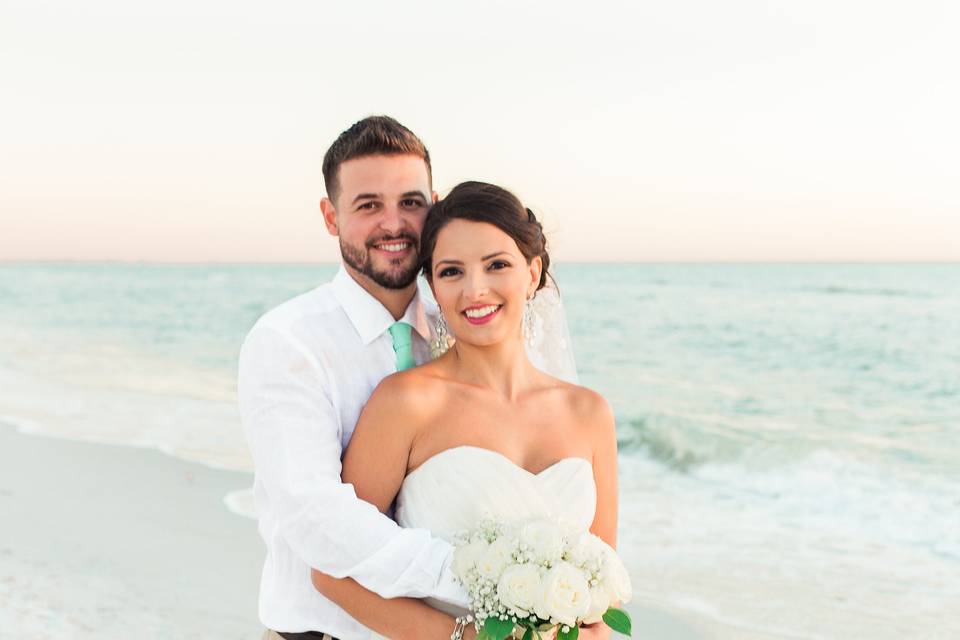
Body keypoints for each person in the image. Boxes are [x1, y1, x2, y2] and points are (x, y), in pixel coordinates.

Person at [310, 181, 619, 640]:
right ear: (432, 285)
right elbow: (332, 570)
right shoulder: (406, 403)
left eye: (497, 265)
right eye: (452, 272)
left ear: (532, 273)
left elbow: (602, 584)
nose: (476, 290)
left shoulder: (589, 413)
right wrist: (461, 636)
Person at [239, 116, 473, 640]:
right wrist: (484, 576)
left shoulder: (461, 328)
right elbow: (316, 520)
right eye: (369, 205)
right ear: (330, 216)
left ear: (433, 205)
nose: (394, 224)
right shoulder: (287, 341)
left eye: (411, 203)